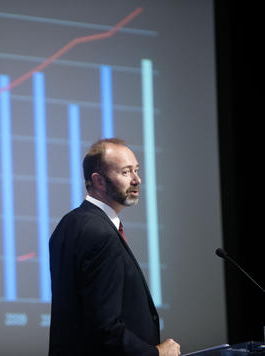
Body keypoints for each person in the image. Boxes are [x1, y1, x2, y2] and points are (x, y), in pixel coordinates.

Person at [48, 138, 180, 356]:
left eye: (136, 170)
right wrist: (156, 353)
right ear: (98, 181)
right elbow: (104, 329)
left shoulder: (68, 224)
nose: (137, 179)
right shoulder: (102, 235)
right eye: (126, 173)